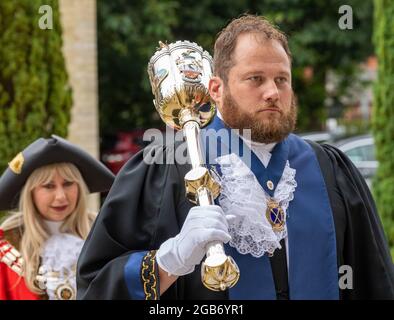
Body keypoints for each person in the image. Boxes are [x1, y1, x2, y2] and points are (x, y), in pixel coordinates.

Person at [76, 15, 394, 300]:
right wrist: (167, 262)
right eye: (255, 79)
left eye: (281, 79)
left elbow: (375, 282)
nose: (273, 92)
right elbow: (95, 286)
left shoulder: (330, 170)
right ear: (216, 89)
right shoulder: (165, 167)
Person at [0, 135, 114, 300]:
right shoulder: (7, 246)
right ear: (30, 193)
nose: (61, 196)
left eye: (68, 184)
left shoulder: (106, 234)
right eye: (48, 186)